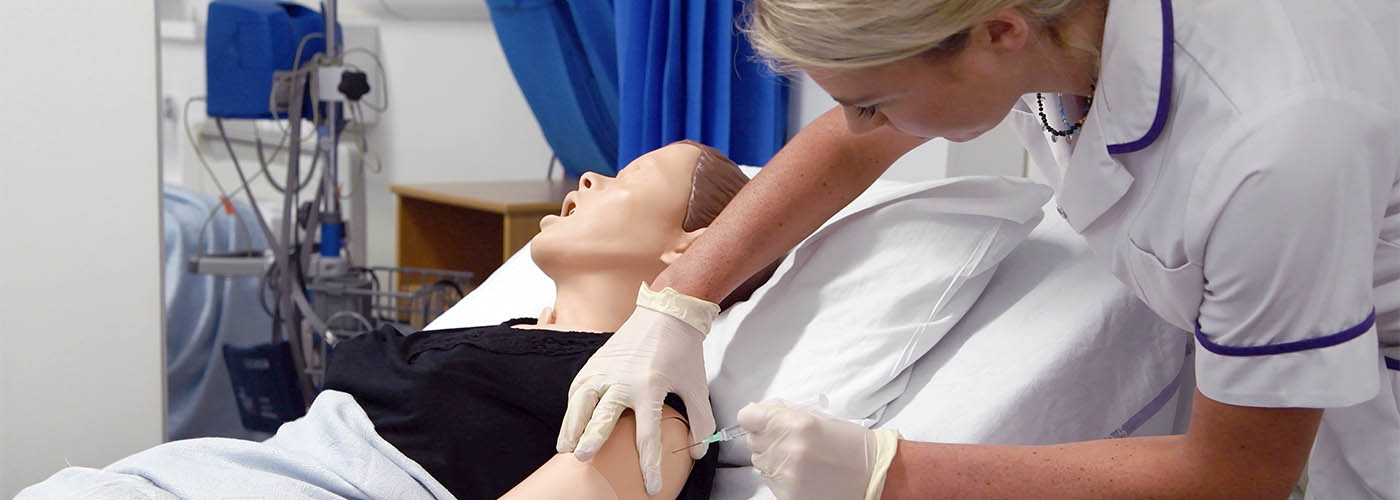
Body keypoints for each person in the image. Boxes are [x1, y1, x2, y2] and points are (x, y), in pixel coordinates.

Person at [557, 1, 1400, 499]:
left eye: (872, 100)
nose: (854, 125)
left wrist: (891, 470)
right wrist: (679, 300)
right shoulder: (1043, 28)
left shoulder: (1274, 143)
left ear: (998, 33)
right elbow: (856, 143)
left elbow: (1233, 475)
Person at [16, 141, 772, 500]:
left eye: (629, 176)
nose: (587, 178)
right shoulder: (501, 332)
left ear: (694, 242)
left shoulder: (655, 409)